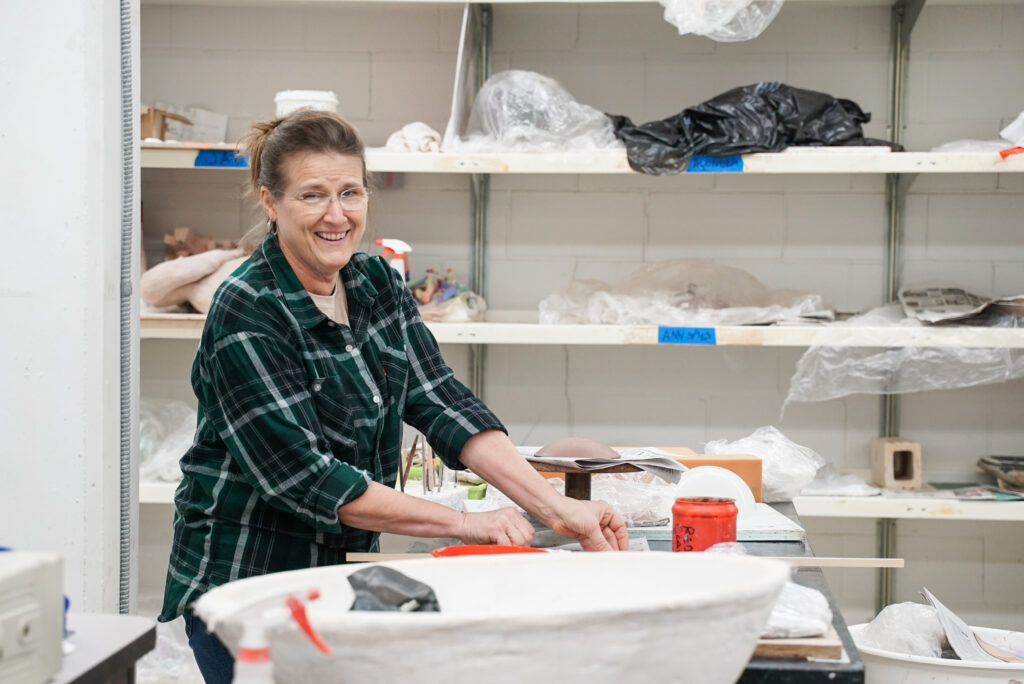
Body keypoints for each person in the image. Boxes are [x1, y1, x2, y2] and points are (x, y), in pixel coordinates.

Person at [158, 108, 630, 684]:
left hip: (338, 577)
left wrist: (558, 509)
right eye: (312, 196)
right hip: (249, 589)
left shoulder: (375, 283)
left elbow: (441, 400)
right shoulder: (247, 309)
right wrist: (464, 524)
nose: (337, 215)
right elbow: (309, 479)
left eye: (350, 192)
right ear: (269, 201)